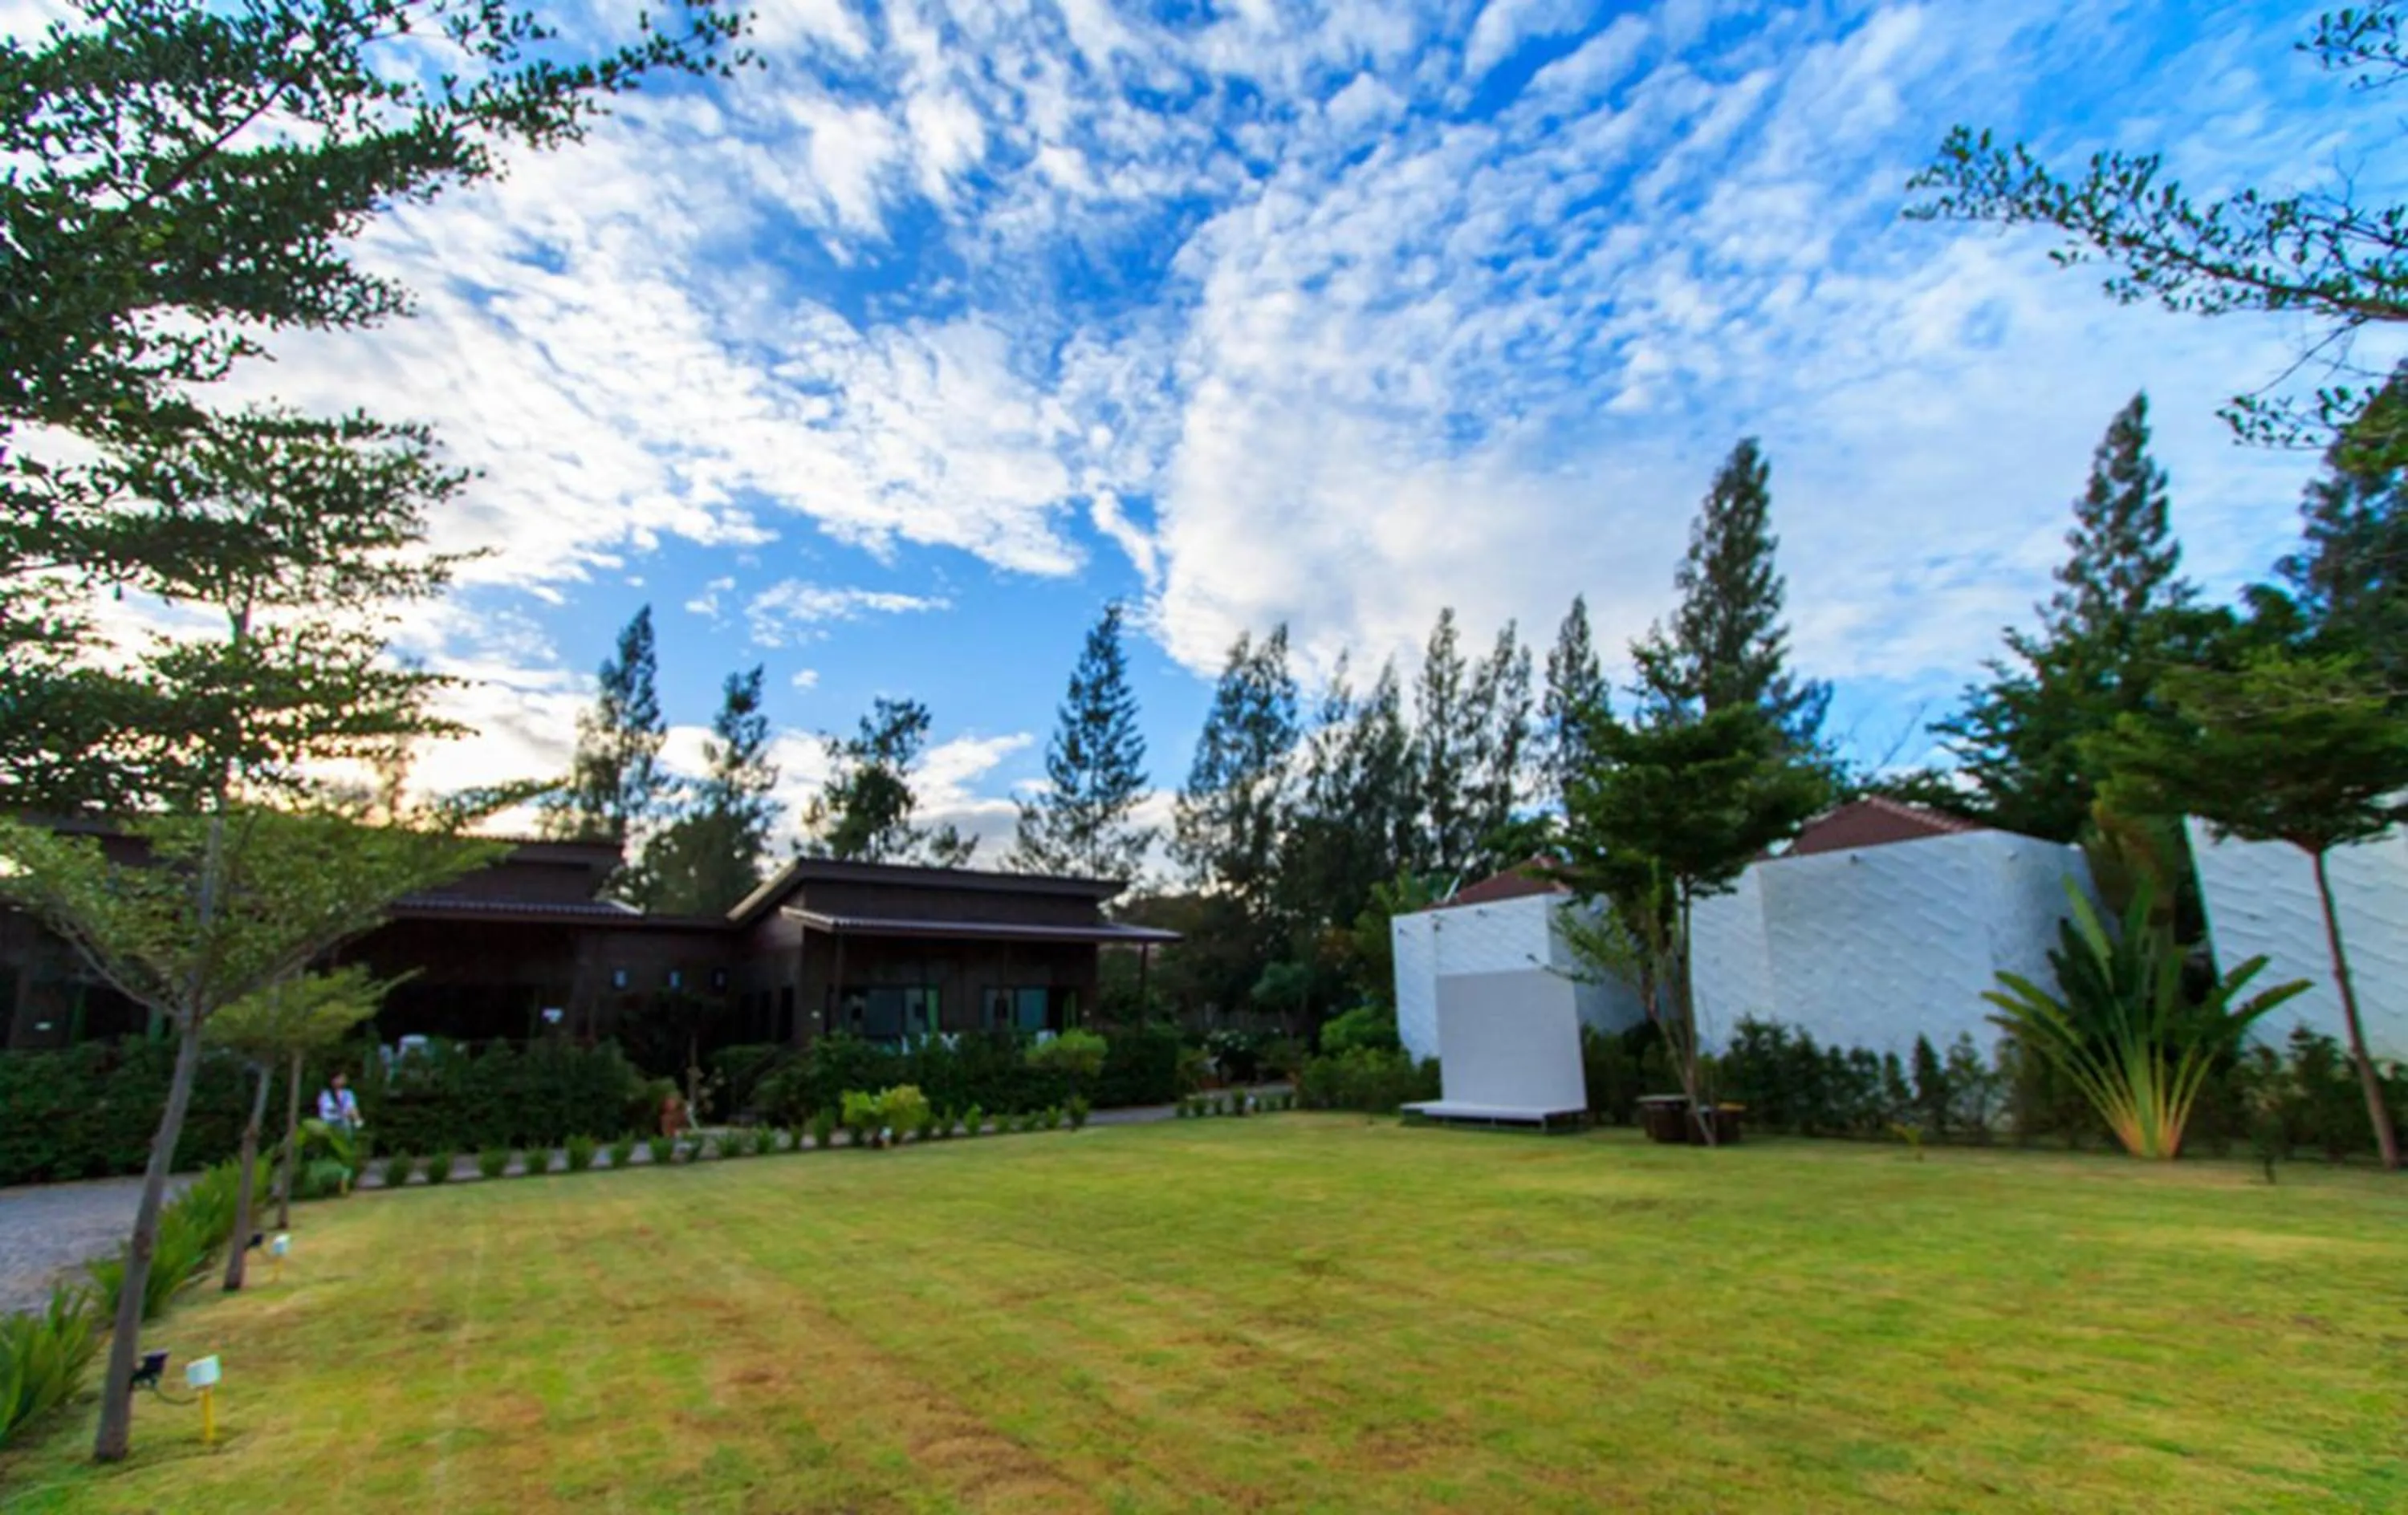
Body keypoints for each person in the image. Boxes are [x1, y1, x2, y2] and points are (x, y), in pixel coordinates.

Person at [316, 1070, 362, 1135]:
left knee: (348, 1118)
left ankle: (358, 1122)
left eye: (343, 1079)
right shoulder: (326, 1094)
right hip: (329, 1119)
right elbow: (328, 1108)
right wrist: (342, 1112)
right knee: (344, 1122)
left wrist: (347, 1113)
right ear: (333, 1081)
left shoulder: (348, 1094)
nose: (342, 1080)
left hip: (343, 1118)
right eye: (340, 1078)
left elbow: (350, 1106)